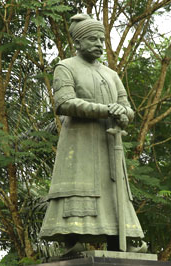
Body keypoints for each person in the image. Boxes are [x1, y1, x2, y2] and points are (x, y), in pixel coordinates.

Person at [39, 13, 144, 253]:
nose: (99, 44)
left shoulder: (111, 74)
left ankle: (121, 242)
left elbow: (128, 108)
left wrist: (123, 114)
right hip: (80, 143)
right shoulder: (66, 67)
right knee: (79, 187)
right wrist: (106, 110)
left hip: (109, 143)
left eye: (101, 40)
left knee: (112, 190)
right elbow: (64, 103)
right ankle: (71, 242)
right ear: (78, 42)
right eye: (93, 39)